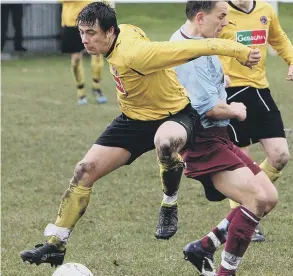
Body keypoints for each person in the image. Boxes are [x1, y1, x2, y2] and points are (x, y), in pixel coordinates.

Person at [19, 1, 261, 267]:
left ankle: (169, 203)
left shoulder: (136, 54)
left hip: (175, 114)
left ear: (110, 32)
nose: (85, 40)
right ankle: (56, 245)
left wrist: (240, 51)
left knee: (166, 142)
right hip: (133, 119)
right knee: (84, 170)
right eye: (82, 33)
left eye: (91, 33)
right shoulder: (118, 33)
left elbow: (197, 47)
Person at [170, 2, 278, 275]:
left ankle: (204, 246)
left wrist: (221, 79)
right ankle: (224, 273)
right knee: (255, 199)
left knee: (269, 197)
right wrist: (236, 110)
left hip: (217, 136)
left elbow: (205, 84)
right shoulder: (189, 52)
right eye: (222, 17)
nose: (225, 23)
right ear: (201, 17)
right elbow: (208, 107)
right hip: (203, 141)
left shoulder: (200, 41)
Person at [220, 0, 293, 242]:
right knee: (240, 164)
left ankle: (244, 211)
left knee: (280, 155)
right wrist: (218, 71)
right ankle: (247, 218)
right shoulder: (220, 10)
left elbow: (279, 39)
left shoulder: (266, 10)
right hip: (230, 92)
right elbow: (205, 45)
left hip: (259, 91)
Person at [60, 0, 107, 105]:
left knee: (97, 55)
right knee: (76, 58)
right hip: (72, 23)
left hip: (92, 21)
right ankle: (81, 92)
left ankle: (97, 87)